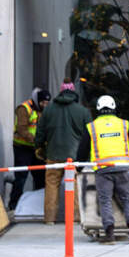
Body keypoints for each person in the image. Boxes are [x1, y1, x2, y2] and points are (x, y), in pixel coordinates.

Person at [77, 94, 129, 244]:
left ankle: (109, 234)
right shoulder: (124, 125)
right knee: (128, 199)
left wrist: (79, 168)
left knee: (105, 201)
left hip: (103, 170)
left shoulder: (92, 126)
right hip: (123, 168)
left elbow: (82, 150)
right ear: (114, 107)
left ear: (98, 109)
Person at [35, 81, 93, 223]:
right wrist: (87, 156)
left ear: (60, 92)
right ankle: (75, 218)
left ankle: (49, 219)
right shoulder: (83, 111)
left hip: (53, 155)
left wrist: (39, 147)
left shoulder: (48, 110)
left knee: (51, 186)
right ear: (74, 93)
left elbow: (40, 132)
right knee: (73, 186)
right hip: (74, 157)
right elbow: (90, 135)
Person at [6, 88, 49, 208]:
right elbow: (22, 129)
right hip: (22, 148)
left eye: (46, 103)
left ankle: (40, 205)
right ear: (37, 101)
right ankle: (14, 204)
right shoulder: (24, 109)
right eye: (43, 103)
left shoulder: (42, 110)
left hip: (35, 148)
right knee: (21, 177)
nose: (45, 106)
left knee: (41, 177)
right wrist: (36, 140)